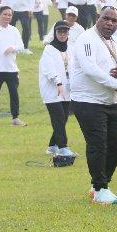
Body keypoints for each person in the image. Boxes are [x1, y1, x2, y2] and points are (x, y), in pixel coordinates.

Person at [70, 6, 117, 205]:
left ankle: (101, 183)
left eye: (114, 21)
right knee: (98, 143)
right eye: (106, 18)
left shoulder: (116, 42)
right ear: (98, 18)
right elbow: (90, 69)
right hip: (87, 100)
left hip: (111, 101)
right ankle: (99, 189)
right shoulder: (86, 39)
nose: (110, 23)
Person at [39, 21, 77, 157]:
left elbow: (74, 68)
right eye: (60, 32)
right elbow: (48, 69)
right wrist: (58, 83)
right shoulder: (49, 49)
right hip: (52, 90)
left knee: (63, 118)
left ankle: (52, 146)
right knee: (59, 118)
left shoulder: (71, 49)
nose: (62, 34)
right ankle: (63, 147)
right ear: (55, 33)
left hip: (67, 90)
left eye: (65, 32)